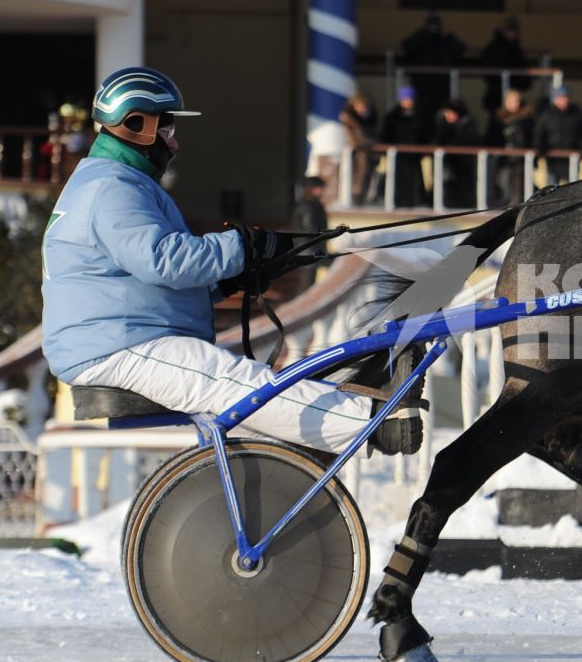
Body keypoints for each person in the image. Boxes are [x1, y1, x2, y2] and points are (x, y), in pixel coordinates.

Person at [42, 67, 419, 455]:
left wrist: (229, 280)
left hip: (122, 336)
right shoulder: (112, 187)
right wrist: (242, 245)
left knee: (244, 387)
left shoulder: (113, 182)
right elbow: (165, 261)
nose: (173, 144)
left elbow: (140, 280)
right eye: (168, 129)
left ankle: (335, 434)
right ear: (136, 124)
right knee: (235, 382)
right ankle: (376, 422)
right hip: (115, 346)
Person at [397, 12, 466, 110]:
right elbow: (406, 47)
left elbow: (461, 49)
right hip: (422, 87)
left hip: (442, 88)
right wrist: (419, 34)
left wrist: (449, 36)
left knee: (442, 114)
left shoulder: (445, 40)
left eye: (436, 23)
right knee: (421, 114)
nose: (434, 27)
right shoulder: (420, 39)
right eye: (431, 24)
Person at [532, 83, 582, 186]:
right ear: (554, 99)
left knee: (572, 189)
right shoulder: (546, 116)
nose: (563, 101)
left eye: (565, 97)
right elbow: (538, 136)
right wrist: (541, 151)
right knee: (551, 191)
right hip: (553, 161)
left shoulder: (577, 114)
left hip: (572, 160)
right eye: (560, 98)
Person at [379, 85, 432, 207]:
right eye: (405, 99)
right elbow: (385, 135)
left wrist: (424, 149)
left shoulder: (420, 116)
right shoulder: (392, 117)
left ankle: (417, 202)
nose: (408, 102)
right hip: (398, 156)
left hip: (414, 156)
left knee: (416, 181)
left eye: (410, 99)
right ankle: (398, 203)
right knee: (398, 181)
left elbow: (425, 135)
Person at [486, 88, 535, 205]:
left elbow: (531, 137)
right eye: (510, 101)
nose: (513, 104)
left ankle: (516, 205)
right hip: (502, 158)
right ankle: (502, 203)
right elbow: (491, 137)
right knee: (503, 180)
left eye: (515, 101)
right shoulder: (498, 118)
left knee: (519, 183)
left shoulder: (526, 119)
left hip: (520, 158)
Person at [433, 98, 480, 209]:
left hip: (464, 164)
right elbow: (437, 140)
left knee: (464, 189)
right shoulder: (443, 124)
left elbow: (468, 142)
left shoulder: (467, 124)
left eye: (451, 113)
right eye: (447, 112)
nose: (448, 115)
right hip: (449, 164)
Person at [476, 16, 530, 110]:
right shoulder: (495, 48)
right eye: (509, 30)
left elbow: (521, 66)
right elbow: (487, 67)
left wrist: (523, 82)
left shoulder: (516, 49)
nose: (512, 33)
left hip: (512, 89)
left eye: (514, 31)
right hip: (496, 92)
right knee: (497, 117)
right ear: (504, 31)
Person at [289, 176, 332, 286]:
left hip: (310, 250)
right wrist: (329, 234)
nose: (322, 191)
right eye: (319, 187)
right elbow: (310, 230)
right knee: (306, 286)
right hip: (308, 251)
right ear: (311, 189)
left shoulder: (313, 204)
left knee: (309, 285)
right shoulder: (308, 206)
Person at [341, 91, 379, 205]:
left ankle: (363, 198)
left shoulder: (370, 118)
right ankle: (356, 198)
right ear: (353, 105)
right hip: (356, 155)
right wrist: (368, 143)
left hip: (369, 154)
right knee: (357, 178)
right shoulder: (349, 118)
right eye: (360, 106)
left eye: (365, 106)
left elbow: (375, 134)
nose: (362, 108)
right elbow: (353, 139)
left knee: (369, 176)